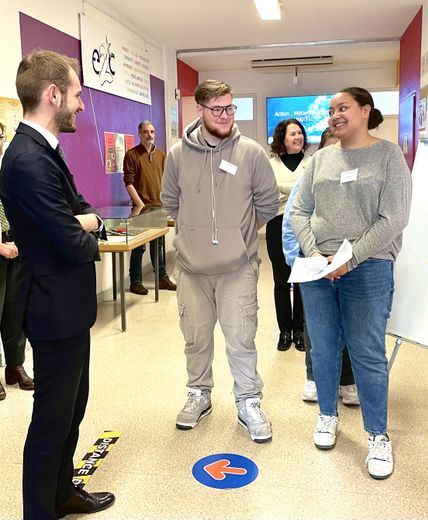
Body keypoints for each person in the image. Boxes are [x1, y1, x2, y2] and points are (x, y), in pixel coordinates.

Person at [0, 50, 115, 519]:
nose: (81, 105)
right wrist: (88, 230)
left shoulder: (44, 149)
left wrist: (86, 221)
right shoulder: (26, 159)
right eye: (76, 95)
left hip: (68, 307)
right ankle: (38, 511)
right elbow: (72, 241)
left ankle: (61, 492)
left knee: (73, 408)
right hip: (50, 308)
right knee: (51, 420)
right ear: (52, 95)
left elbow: (77, 205)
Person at [291, 87, 411, 479]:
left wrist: (350, 258)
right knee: (323, 349)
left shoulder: (388, 156)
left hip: (368, 267)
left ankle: (377, 435)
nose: (334, 115)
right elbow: (299, 209)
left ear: (365, 111)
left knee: (366, 353)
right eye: (330, 110)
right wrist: (313, 254)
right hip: (318, 270)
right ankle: (327, 416)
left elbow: (394, 218)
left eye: (343, 108)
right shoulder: (320, 158)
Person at [161, 79, 279, 443]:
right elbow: (170, 202)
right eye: (218, 109)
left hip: (237, 268)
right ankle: (199, 394)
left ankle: (248, 401)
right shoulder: (178, 154)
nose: (226, 115)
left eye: (230, 108)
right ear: (199, 110)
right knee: (195, 339)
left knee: (241, 339)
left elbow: (268, 205)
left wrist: (235, 236)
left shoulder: (252, 153)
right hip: (192, 270)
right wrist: (195, 235)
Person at [282, 128, 359, 405]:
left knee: (349, 324)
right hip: (313, 263)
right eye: (329, 146)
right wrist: (298, 260)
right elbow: (292, 220)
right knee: (316, 326)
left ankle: (347, 381)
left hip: (350, 262)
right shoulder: (310, 177)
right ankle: (314, 377)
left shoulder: (357, 177)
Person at [267, 119, 310, 351]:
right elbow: (266, 192)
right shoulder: (270, 164)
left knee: (303, 279)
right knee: (281, 280)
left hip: (304, 226)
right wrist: (295, 191)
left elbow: (310, 193)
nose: (298, 137)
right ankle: (285, 331)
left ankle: (300, 330)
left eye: (300, 133)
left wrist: (283, 192)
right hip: (277, 223)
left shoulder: (312, 163)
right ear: (282, 138)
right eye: (292, 133)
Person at [0, 122, 34, 401]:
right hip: (0, 248)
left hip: (14, 245)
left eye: (1, 137)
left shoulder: (6, 170)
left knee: (15, 310)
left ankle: (15, 366)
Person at [123, 120, 176, 295]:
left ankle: (161, 278)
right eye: (145, 132)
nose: (149, 135)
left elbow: (166, 180)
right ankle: (135, 281)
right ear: (139, 134)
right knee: (139, 247)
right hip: (141, 209)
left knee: (158, 245)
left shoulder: (161, 154)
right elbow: (128, 183)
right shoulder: (132, 155)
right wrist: (140, 205)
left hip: (159, 207)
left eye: (152, 132)